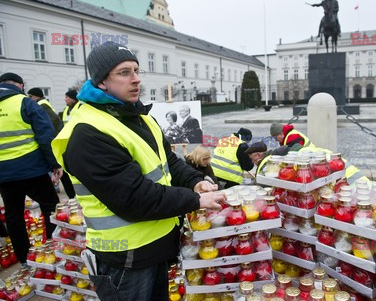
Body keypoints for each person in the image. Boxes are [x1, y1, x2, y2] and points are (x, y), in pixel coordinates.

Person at [51, 41, 225, 301]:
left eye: (136, 70)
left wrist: (195, 182)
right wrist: (196, 200)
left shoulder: (141, 117)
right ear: (101, 81)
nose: (135, 80)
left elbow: (169, 161)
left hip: (155, 246)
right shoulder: (87, 132)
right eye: (124, 72)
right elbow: (133, 198)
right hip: (125, 258)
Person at [0, 72, 62, 268]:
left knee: (13, 215)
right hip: (32, 169)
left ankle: (25, 259)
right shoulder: (25, 103)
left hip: (4, 173)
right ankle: (56, 251)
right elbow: (45, 136)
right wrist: (54, 164)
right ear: (20, 85)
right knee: (50, 206)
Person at [27, 88, 76, 199]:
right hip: (57, 142)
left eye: (30, 96)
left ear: (36, 96)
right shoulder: (42, 105)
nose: (29, 99)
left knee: (62, 172)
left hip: (56, 143)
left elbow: (50, 126)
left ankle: (72, 197)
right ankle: (71, 196)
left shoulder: (42, 106)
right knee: (62, 172)